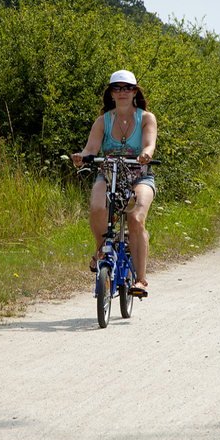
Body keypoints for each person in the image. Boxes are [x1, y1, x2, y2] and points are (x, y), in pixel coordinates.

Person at [71, 70, 158, 295]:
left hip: (140, 175)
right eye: (117, 88)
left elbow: (149, 144)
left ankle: (140, 280)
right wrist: (82, 157)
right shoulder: (103, 121)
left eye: (127, 88)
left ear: (135, 92)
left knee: (135, 218)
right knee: (97, 208)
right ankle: (102, 249)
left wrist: (146, 154)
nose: (122, 92)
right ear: (110, 93)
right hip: (109, 174)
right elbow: (91, 149)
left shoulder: (146, 118)